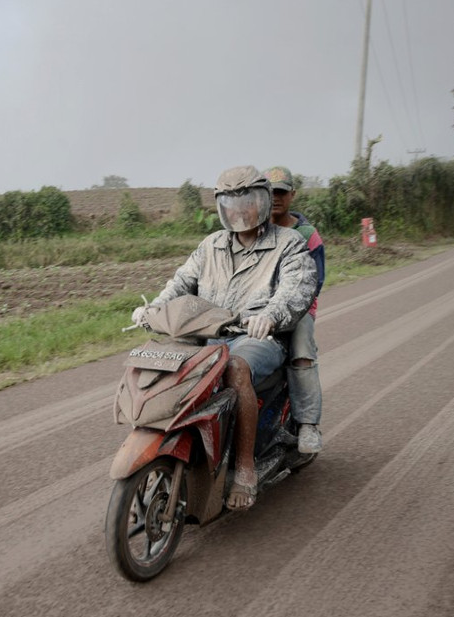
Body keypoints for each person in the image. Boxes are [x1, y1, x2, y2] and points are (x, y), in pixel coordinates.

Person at [132, 165, 317, 510]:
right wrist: (153, 309)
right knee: (167, 361)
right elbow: (181, 282)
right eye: (231, 202)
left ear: (262, 203)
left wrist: (272, 316)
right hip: (207, 336)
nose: (239, 210)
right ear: (221, 207)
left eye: (247, 201)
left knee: (235, 368)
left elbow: (297, 288)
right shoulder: (210, 245)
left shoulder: (289, 244)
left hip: (257, 338)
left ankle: (245, 468)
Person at [262, 166, 325, 453]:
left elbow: (315, 282)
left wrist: (286, 308)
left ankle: (308, 424)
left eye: (282, 192)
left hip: (297, 310)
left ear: (292, 195)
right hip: (257, 306)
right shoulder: (256, 228)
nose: (276, 197)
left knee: (301, 352)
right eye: (271, 192)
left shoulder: (307, 234)